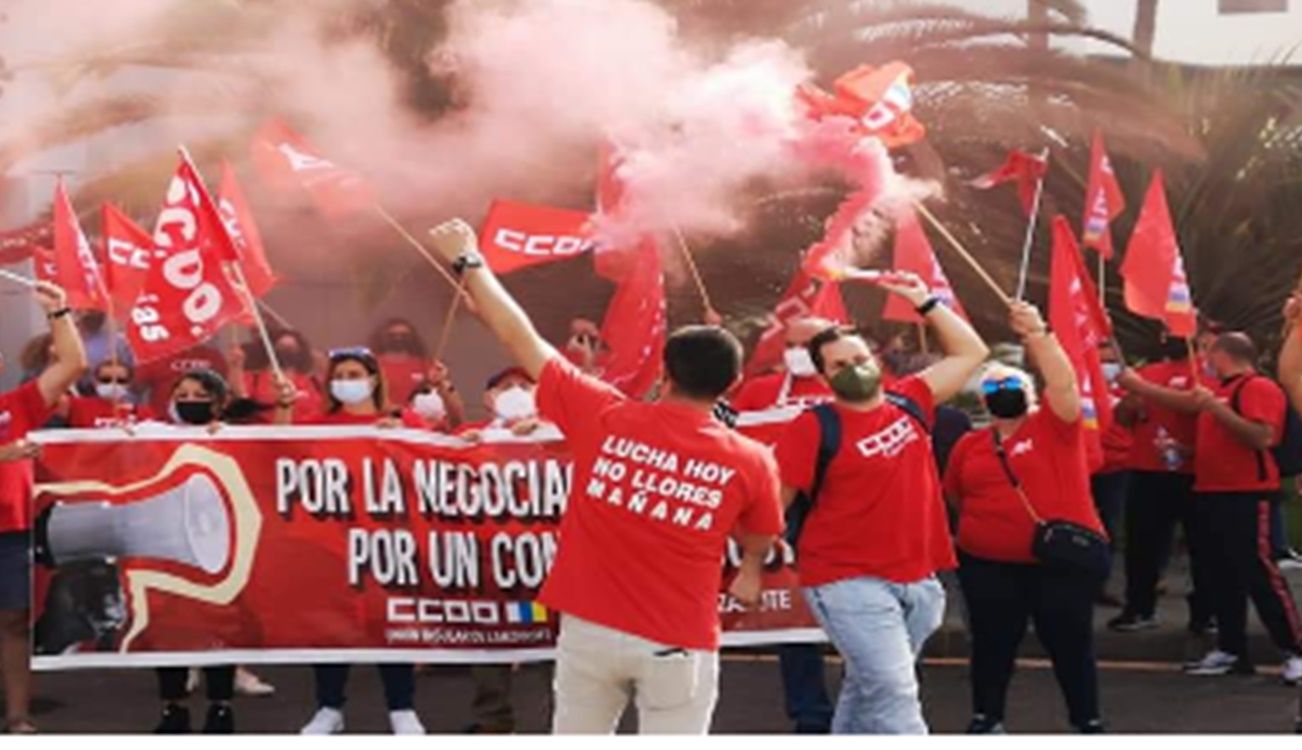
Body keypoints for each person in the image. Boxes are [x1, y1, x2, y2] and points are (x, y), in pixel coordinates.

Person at [428, 218, 783, 734]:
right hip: (677, 638)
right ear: (733, 384)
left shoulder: (603, 415)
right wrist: (750, 570)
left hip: (589, 630)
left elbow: (520, 338)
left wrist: (469, 259)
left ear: (665, 374)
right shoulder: (751, 458)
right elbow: (764, 530)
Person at [772, 273, 989, 734]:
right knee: (896, 691)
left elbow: (972, 353)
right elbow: (774, 503)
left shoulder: (911, 398)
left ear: (874, 358)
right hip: (846, 580)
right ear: (825, 377)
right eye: (838, 365)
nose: (852, 367)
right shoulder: (812, 427)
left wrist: (924, 301)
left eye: (857, 357)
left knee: (871, 686)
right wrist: (753, 561)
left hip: (919, 581)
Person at [943, 303, 1107, 734]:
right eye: (994, 386)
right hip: (989, 566)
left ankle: (1086, 721)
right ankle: (987, 717)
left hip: (1060, 566)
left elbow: (1064, 380)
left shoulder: (1056, 427)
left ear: (1030, 392)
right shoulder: (969, 445)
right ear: (983, 398)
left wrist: (1037, 333)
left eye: (1011, 382)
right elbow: (957, 495)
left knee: (1070, 644)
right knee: (992, 646)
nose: (1002, 390)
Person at [286, 348, 424, 735]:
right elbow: (279, 452)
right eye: (339, 375)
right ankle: (329, 707)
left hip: (388, 539)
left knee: (390, 622)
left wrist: (409, 438)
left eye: (354, 373)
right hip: (331, 542)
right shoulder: (317, 423)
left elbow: (437, 464)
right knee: (332, 626)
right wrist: (282, 410)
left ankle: (402, 708)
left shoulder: (403, 420)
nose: (347, 381)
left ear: (374, 378)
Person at [729, 316, 836, 734]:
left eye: (805, 343)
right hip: (780, 516)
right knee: (791, 616)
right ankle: (810, 714)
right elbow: (718, 429)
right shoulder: (758, 392)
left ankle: (862, 711)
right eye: (789, 343)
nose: (794, 351)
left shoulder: (849, 389)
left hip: (840, 515)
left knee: (858, 619)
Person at [1183, 332, 1302, 682]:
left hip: (1247, 494)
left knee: (1260, 574)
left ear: (1223, 354)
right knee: (1220, 575)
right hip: (1213, 492)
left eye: (1208, 351)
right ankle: (1231, 649)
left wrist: (1214, 408)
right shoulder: (1218, 393)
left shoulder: (1257, 388)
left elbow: (1261, 437)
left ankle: (1293, 649)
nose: (1203, 358)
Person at [0, 282, 87, 734]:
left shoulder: (13, 407)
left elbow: (72, 364)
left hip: (11, 529)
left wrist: (59, 312)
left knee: (15, 621)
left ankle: (17, 716)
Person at [151, 369, 241, 734]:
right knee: (169, 628)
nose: (189, 401)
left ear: (218, 403)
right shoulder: (156, 436)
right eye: (181, 395)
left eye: (198, 395)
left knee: (219, 628)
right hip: (168, 546)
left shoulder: (236, 437)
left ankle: (221, 706)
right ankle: (173, 705)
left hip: (223, 546)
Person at [1109, 336, 1212, 633]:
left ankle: (1206, 613)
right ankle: (1139, 608)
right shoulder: (1149, 370)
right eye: (1164, 330)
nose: (1169, 336)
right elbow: (1123, 417)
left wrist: (1143, 389)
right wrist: (1130, 404)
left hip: (1194, 470)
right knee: (1142, 545)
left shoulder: (1204, 369)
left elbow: (1194, 404)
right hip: (1147, 467)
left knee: (1203, 547)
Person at [228, 329, 324, 423]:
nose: (286, 351)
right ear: (269, 351)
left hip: (305, 436)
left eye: (291, 348)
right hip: (263, 436)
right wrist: (235, 368)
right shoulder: (254, 379)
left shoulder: (312, 382)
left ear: (301, 352)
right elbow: (241, 397)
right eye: (282, 347)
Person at [135, 343, 228, 417]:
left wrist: (235, 367)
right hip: (163, 426)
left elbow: (226, 392)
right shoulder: (156, 356)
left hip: (205, 425)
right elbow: (134, 388)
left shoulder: (213, 355)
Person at [368, 318, 438, 405]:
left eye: (404, 335)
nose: (398, 338)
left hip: (417, 416)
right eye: (392, 335)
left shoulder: (427, 365)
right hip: (385, 416)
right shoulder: (370, 364)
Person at [65, 360, 152, 428]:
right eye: (106, 380)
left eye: (120, 380)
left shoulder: (143, 413)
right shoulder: (78, 406)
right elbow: (53, 392)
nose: (113, 384)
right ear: (95, 382)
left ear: (128, 384)